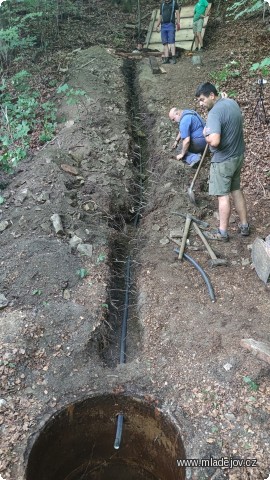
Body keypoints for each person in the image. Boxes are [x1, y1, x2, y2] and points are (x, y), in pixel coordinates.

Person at [195, 82, 250, 241]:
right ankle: (244, 225)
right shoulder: (231, 103)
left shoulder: (214, 114)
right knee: (236, 190)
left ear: (212, 95)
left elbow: (215, 140)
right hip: (237, 156)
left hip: (223, 161)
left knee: (222, 196)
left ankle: (222, 233)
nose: (201, 104)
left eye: (202, 100)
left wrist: (206, 134)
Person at [156, 0, 180, 64]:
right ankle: (166, 59)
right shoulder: (162, 4)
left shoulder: (174, 3)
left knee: (172, 41)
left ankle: (173, 58)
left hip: (171, 25)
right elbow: (160, 15)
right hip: (163, 25)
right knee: (165, 43)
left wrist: (178, 23)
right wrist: (157, 25)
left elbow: (177, 13)